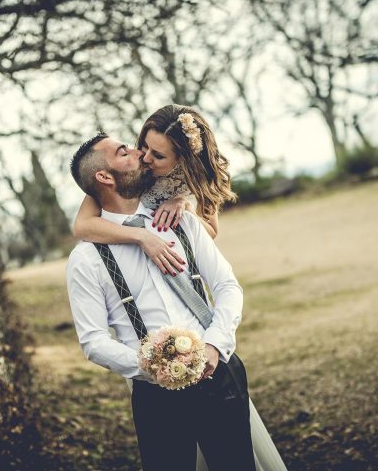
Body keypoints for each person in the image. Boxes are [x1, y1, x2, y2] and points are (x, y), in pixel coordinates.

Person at [66, 127, 288, 470]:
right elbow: (93, 341)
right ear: (104, 177)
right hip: (155, 397)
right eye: (124, 152)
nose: (139, 153)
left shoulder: (182, 221)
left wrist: (215, 345)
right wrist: (150, 367)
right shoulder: (86, 259)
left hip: (220, 377)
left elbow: (227, 287)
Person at [72, 104, 237, 276]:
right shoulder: (126, 175)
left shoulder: (199, 179)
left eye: (158, 155)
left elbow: (211, 232)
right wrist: (142, 237)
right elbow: (82, 226)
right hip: (123, 260)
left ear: (182, 159)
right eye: (144, 145)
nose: (146, 157)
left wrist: (185, 207)